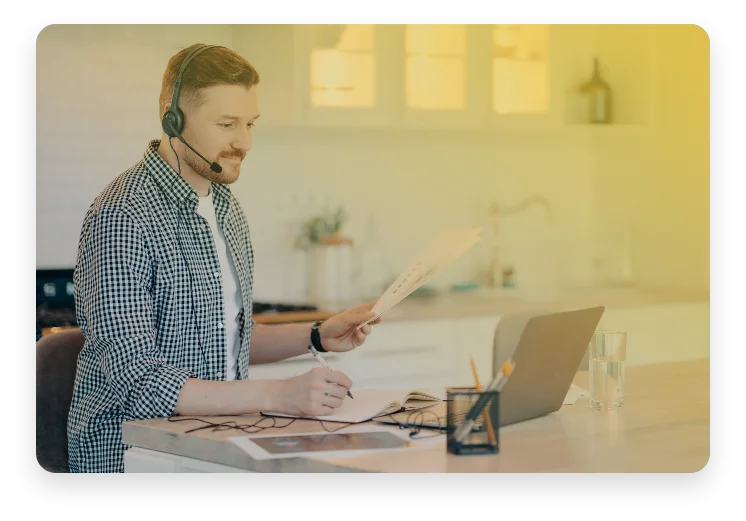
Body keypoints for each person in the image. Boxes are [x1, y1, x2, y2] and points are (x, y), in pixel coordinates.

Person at [67, 43, 381, 473]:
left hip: (213, 443)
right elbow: (139, 383)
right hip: (133, 454)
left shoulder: (225, 209)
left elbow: (228, 340)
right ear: (170, 116)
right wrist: (278, 394)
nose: (244, 142)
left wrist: (318, 334)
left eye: (250, 123)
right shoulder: (122, 217)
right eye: (227, 124)